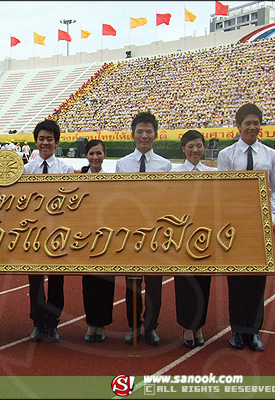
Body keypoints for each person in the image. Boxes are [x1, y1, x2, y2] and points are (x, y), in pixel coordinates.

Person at [217, 103, 275, 352]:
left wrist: (271, 217)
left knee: (257, 280)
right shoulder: (227, 155)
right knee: (236, 279)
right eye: (248, 123)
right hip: (235, 228)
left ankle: (253, 331)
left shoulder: (270, 155)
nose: (253, 127)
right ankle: (237, 330)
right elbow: (222, 191)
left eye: (256, 123)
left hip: (261, 227)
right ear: (239, 126)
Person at [115, 111, 172, 346]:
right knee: (132, 284)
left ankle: (151, 327)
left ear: (156, 135)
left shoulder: (165, 165)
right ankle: (133, 325)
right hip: (131, 233)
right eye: (140, 131)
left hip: (156, 233)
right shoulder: (122, 164)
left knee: (155, 286)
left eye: (149, 131)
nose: (145, 135)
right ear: (133, 134)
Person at [24, 119, 74, 343]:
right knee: (34, 280)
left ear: (56, 142)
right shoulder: (26, 170)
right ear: (36, 141)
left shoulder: (65, 169)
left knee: (56, 280)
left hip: (57, 232)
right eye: (41, 139)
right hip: (32, 233)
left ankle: (53, 323)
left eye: (49, 139)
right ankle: (37, 323)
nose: (45, 143)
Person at [172, 130, 216, 348]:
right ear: (183, 149)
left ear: (204, 147)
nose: (195, 150)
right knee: (184, 284)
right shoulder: (174, 173)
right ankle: (188, 328)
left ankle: (199, 325)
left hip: (205, 237)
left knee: (203, 282)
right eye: (190, 146)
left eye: (199, 146)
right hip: (181, 238)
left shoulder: (213, 173)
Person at [79, 140, 115, 343]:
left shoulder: (111, 180)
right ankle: (91, 323)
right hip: (86, 239)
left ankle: (102, 325)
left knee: (106, 283)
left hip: (107, 238)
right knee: (89, 283)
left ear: (104, 155)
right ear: (86, 155)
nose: (95, 157)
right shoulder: (80, 179)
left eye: (99, 153)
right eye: (92, 153)